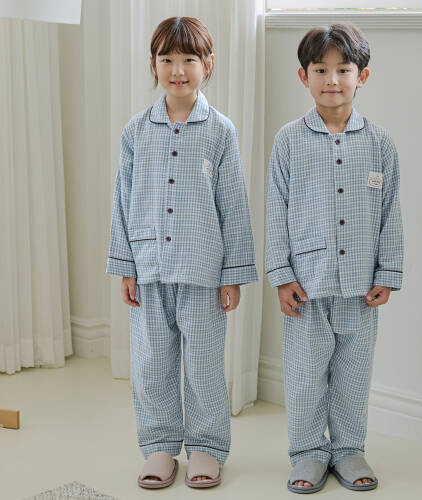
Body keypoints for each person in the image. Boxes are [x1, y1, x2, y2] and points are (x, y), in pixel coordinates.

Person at [106, 16, 257, 490]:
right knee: (152, 365)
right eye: (167, 59)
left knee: (205, 365)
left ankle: (207, 447)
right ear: (153, 64)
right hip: (149, 268)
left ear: (207, 64)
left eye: (188, 59)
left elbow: (233, 204)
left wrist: (232, 273)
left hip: (203, 272)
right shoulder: (136, 131)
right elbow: (122, 200)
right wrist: (126, 266)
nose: (177, 70)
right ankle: (159, 446)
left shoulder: (220, 131)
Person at [265, 22, 404, 493]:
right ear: (303, 76)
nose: (332, 79)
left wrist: (388, 272)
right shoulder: (288, 140)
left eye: (343, 69)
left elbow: (390, 212)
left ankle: (347, 449)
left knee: (352, 375)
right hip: (306, 285)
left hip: (361, 286)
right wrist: (281, 275)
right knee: (306, 376)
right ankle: (308, 451)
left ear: (361, 76)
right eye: (320, 69)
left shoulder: (380, 143)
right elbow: (276, 210)